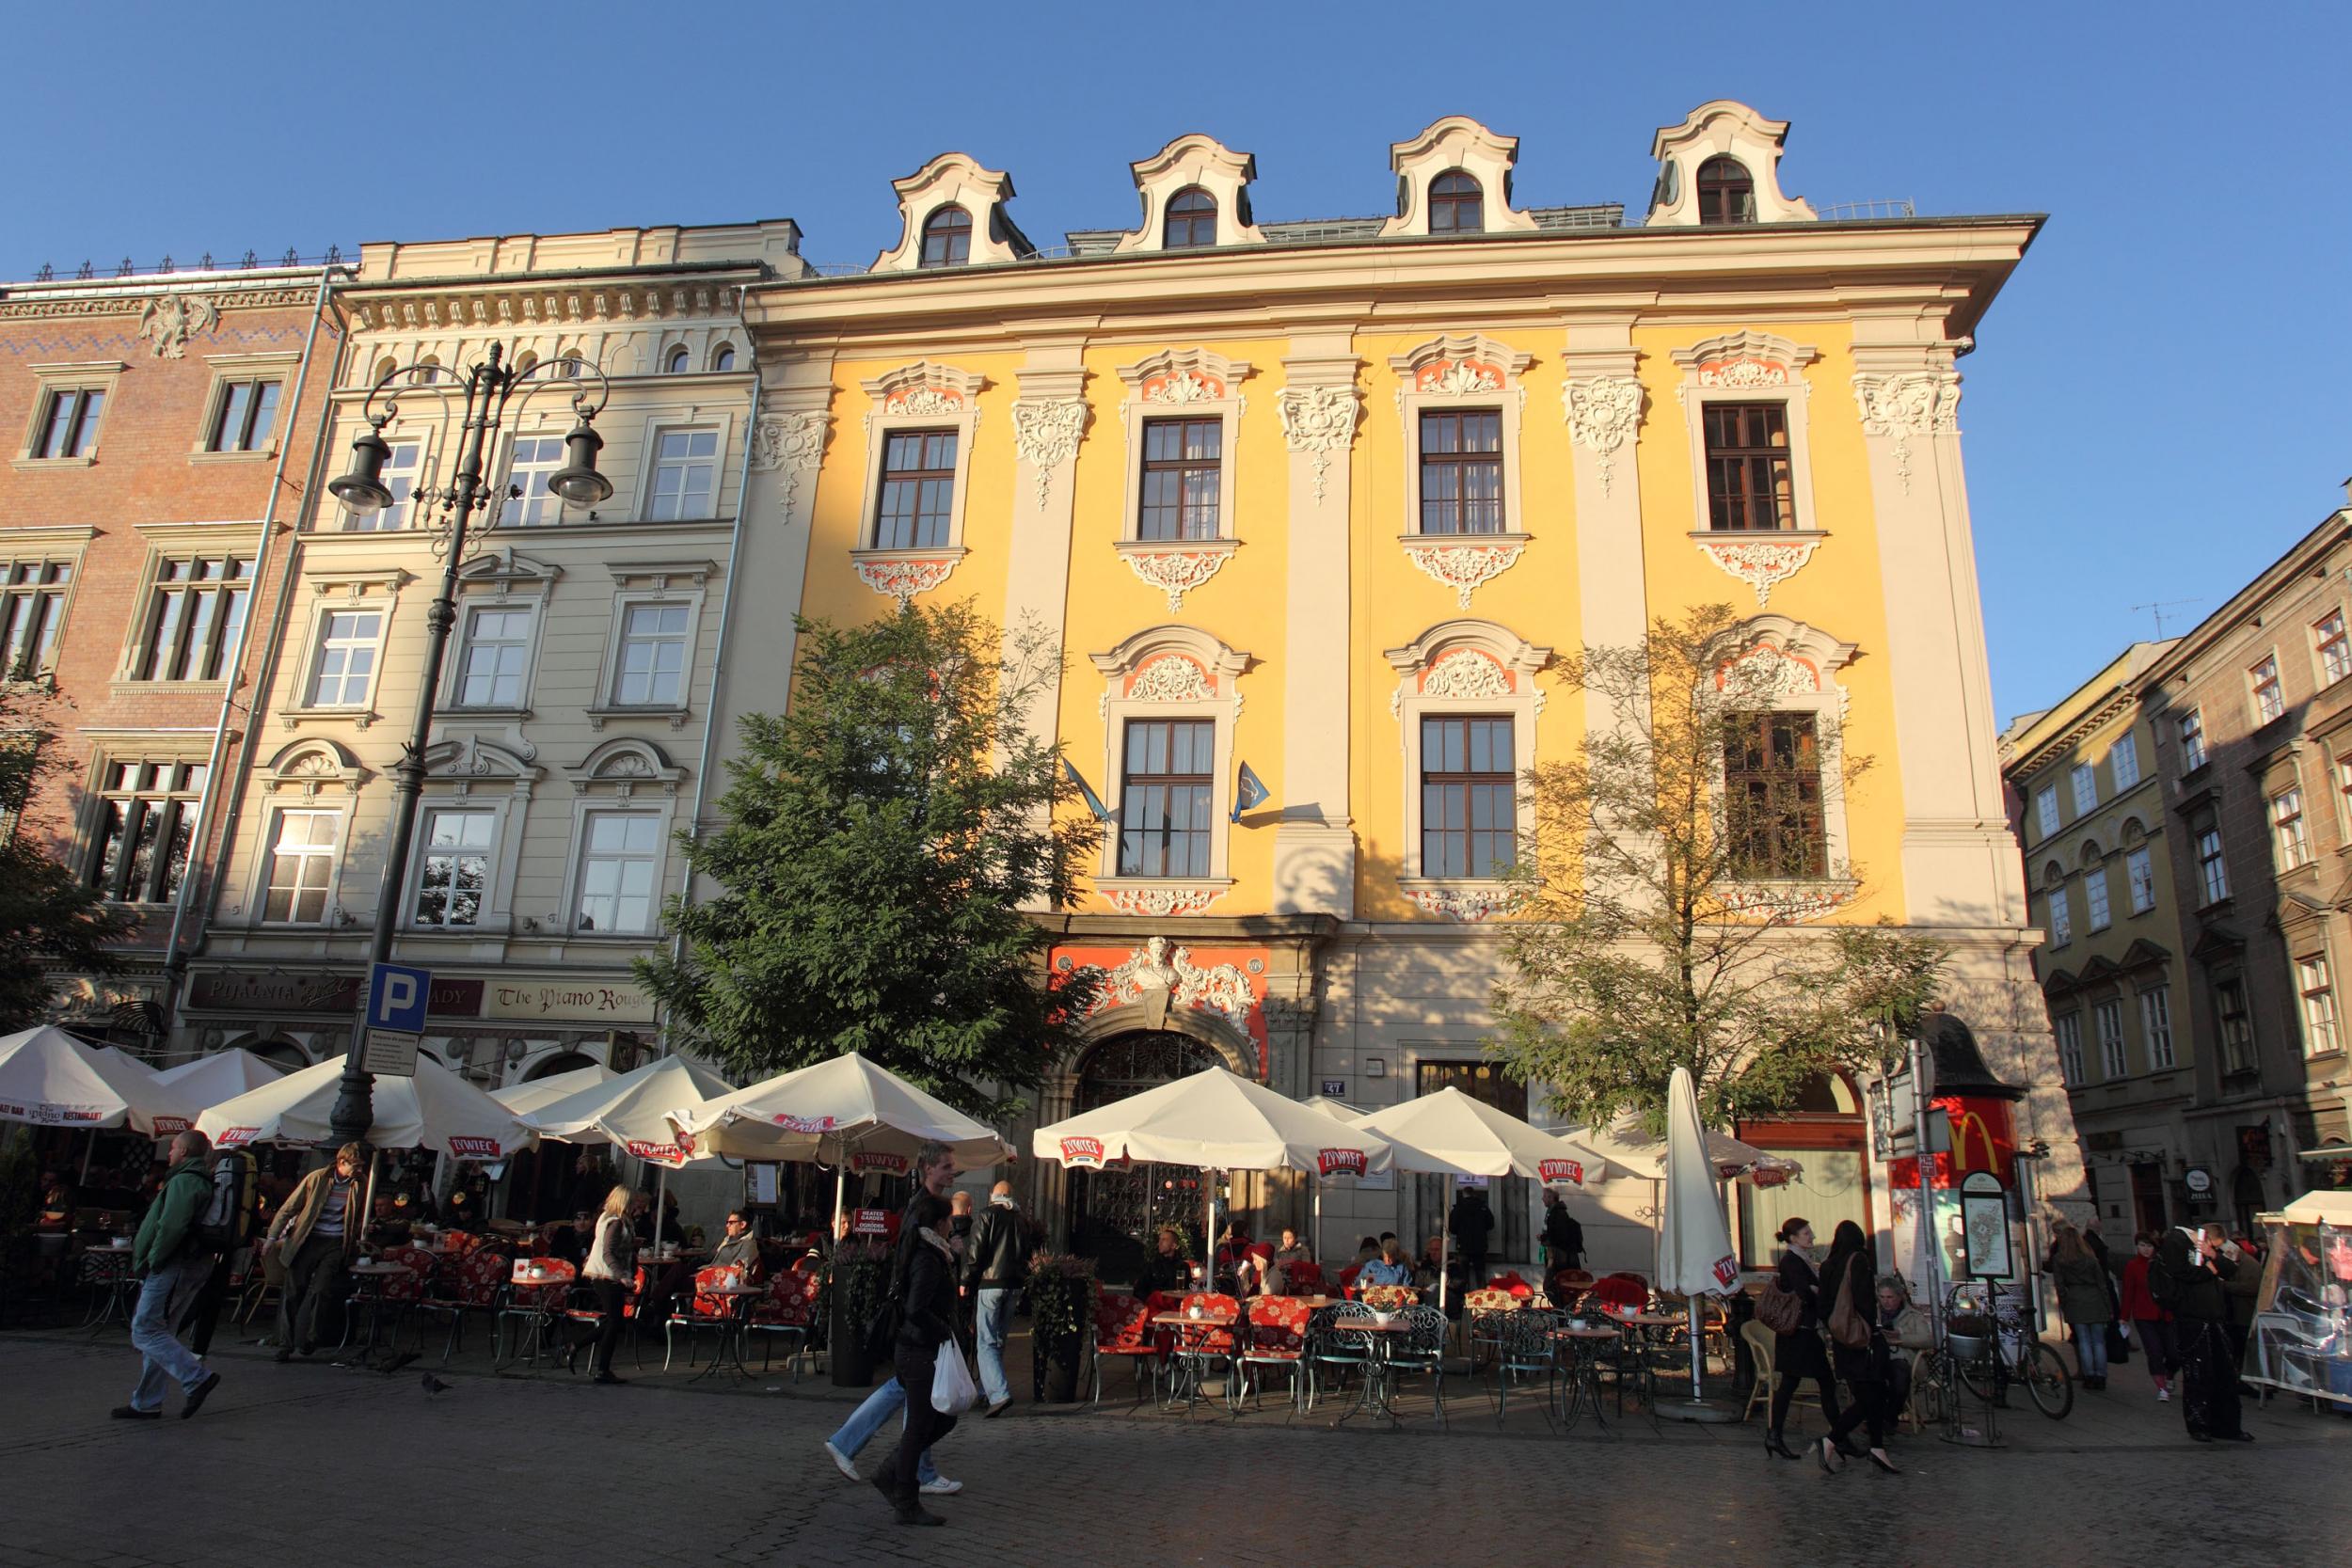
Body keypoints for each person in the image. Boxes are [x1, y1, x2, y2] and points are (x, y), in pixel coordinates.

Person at [823, 1142, 962, 1499]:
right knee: (919, 1398)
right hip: (916, 1325)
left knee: (907, 1392)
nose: (952, 1172)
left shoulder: (926, 1208)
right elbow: (914, 1270)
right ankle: (913, 1472)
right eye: (946, 1166)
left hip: (917, 1323)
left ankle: (862, 1449)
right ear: (928, 1169)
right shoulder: (920, 1212)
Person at [113, 1130, 223, 1421]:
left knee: (145, 1329)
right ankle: (147, 1402)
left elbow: (172, 1227)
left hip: (173, 1264)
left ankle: (196, 1377)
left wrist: (153, 1259)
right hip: (190, 1264)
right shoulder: (197, 1180)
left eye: (173, 1148)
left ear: (184, 1151)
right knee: (162, 1333)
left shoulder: (185, 1181)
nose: (169, 1153)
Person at [877, 1188, 962, 1527]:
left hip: (918, 1348)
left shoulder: (930, 1251)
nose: (951, 1229)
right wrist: (944, 1330)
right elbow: (916, 1308)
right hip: (919, 1349)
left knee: (938, 1419)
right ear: (940, 1224)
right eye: (949, 1222)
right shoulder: (927, 1256)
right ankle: (904, 1497)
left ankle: (894, 1474)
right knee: (921, 1425)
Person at [262, 1142, 367, 1362]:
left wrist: (354, 1237)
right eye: (353, 1165)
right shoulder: (317, 1178)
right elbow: (289, 1207)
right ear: (341, 1162)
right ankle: (285, 1343)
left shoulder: (359, 1183)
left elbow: (357, 1215)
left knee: (322, 1289)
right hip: (307, 1239)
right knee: (294, 1291)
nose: (357, 1170)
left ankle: (312, 1337)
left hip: (335, 1241)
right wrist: (272, 1237)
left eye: (359, 1166)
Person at [1813, 1220, 1899, 1475]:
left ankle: (1877, 1448)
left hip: (1842, 1338)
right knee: (1870, 1396)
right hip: (1862, 1339)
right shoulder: (1858, 1261)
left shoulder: (1828, 1265)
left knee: (1872, 1393)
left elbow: (1823, 1305)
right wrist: (1873, 1330)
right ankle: (1831, 1439)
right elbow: (1864, 1302)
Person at [2155, 1226, 2250, 1442]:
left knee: (2225, 1373)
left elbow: (2229, 1270)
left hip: (2215, 1318)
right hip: (2193, 1319)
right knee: (2199, 1374)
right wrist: (2210, 1270)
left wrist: (2212, 1256)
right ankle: (2199, 1424)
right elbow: (2183, 1274)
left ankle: (2228, 1426)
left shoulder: (2205, 1249)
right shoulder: (2175, 1244)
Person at [1763, 1216, 1845, 1463]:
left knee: (1799, 1383)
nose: (1813, 1237)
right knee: (1817, 1382)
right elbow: (1804, 1292)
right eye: (1807, 1234)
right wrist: (1819, 1293)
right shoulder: (1792, 1261)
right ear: (1793, 1238)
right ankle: (1838, 1438)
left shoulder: (1802, 1260)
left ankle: (1776, 1435)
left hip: (1803, 1332)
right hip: (1799, 1333)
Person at [176, 1141, 262, 1359]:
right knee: (212, 1298)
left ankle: (168, 1336)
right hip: (230, 1244)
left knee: (194, 1294)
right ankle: (199, 1348)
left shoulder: (215, 1174)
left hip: (207, 1243)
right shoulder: (248, 1179)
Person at [965, 1180, 1025, 1418]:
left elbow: (976, 1250)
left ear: (995, 1195)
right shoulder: (1022, 1220)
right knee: (998, 1340)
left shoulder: (988, 1214)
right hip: (1014, 1285)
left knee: (986, 1341)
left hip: (991, 1284)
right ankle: (986, 1391)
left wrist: (965, 1280)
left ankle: (999, 1394)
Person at [573, 1183, 639, 1384]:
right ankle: (598, 1366)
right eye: (633, 1201)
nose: (636, 1205)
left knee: (614, 1322)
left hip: (606, 1275)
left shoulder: (611, 1219)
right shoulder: (616, 1222)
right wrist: (622, 1275)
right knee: (614, 1322)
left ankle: (586, 1355)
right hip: (607, 1276)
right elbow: (608, 1251)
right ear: (624, 1201)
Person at [2048, 1220, 2114, 1390]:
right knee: (2098, 1342)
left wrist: (2064, 1304)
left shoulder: (2060, 1259)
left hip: (2075, 1299)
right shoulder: (2090, 1258)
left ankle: (2089, 1375)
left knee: (2084, 1341)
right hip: (2095, 1298)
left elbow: (2060, 1285)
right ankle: (2101, 1376)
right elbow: (2102, 1283)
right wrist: (2109, 1306)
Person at [2119, 1230, 2175, 1402]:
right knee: (2155, 1352)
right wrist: (2124, 1316)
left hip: (2167, 1314)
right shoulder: (2133, 1266)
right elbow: (2128, 1292)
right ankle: (2162, 1388)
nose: (2145, 1249)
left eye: (2149, 1246)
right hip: (2144, 1316)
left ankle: (2170, 1374)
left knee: (2174, 1353)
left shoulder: (2163, 1263)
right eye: (2142, 1245)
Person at [1448, 1188, 1494, 1285]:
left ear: (1463, 1194)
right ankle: (1481, 1296)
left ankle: (1464, 1296)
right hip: (1480, 1245)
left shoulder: (1458, 1208)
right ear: (1474, 1194)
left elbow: (1452, 1227)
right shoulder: (1483, 1207)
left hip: (1463, 1245)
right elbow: (1491, 1224)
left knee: (1463, 1275)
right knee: (1480, 1274)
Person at [1136, 1227, 1190, 1300]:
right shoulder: (1152, 1265)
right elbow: (1138, 1290)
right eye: (1159, 1240)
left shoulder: (1183, 1266)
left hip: (1176, 1305)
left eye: (1164, 1240)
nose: (1159, 1243)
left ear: (1174, 1246)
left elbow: (1189, 1290)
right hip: (1156, 1306)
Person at [1541, 1188, 1584, 1272]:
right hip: (1558, 1256)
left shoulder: (1557, 1214)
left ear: (1551, 1198)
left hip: (1560, 1258)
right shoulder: (1553, 1212)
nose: (1542, 1198)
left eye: (1544, 1196)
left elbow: (1558, 1236)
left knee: (1551, 1282)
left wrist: (1543, 1238)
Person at [711, 1210, 761, 1275]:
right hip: (713, 1274)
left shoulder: (749, 1244)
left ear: (742, 1224)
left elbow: (736, 1269)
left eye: (731, 1223)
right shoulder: (728, 1239)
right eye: (727, 1222)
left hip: (721, 1279)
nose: (727, 1225)